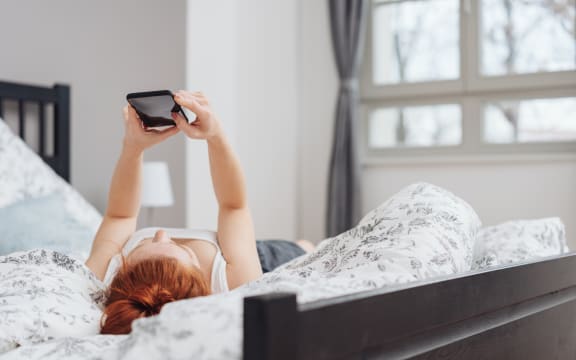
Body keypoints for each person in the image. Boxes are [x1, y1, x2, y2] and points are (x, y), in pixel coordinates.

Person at [85, 90, 314, 335]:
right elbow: (233, 206)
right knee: (308, 251)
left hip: (234, 246)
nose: (162, 232)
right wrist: (215, 136)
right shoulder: (236, 280)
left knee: (305, 246)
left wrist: (133, 147)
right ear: (201, 275)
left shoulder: (104, 271)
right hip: (253, 258)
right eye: (181, 248)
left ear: (124, 271)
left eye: (147, 244)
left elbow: (120, 216)